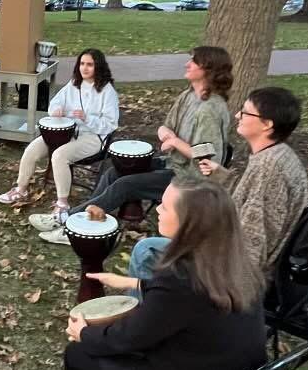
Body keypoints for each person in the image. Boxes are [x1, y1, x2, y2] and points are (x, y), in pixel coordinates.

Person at [62, 181, 267, 370]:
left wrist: (85, 333)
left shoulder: (180, 279)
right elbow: (195, 305)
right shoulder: (238, 264)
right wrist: (136, 283)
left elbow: (128, 338)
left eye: (166, 206)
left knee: (78, 353)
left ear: (188, 225)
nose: (157, 209)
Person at [32, 45, 234, 244]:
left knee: (125, 184)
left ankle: (69, 222)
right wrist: (166, 133)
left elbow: (209, 158)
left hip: (190, 178)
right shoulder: (188, 95)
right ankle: (83, 220)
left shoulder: (210, 109)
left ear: (208, 69)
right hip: (172, 162)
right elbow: (166, 127)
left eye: (194, 61)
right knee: (114, 171)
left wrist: (174, 141)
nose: (187, 63)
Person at [198, 86, 308, 273]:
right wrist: (221, 175)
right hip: (234, 258)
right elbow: (252, 198)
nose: (237, 116)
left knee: (149, 250)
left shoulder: (269, 167)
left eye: (245, 112)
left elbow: (252, 240)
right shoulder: (278, 154)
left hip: (237, 275)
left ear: (267, 124)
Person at [0, 49, 118, 222]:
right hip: (65, 132)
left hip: (92, 137)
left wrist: (87, 118)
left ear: (98, 66)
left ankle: (62, 203)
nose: (85, 68)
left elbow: (111, 124)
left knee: (59, 156)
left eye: (90, 64)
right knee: (32, 149)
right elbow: (55, 103)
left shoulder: (107, 91)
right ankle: (20, 189)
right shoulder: (74, 84)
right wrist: (56, 110)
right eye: (82, 64)